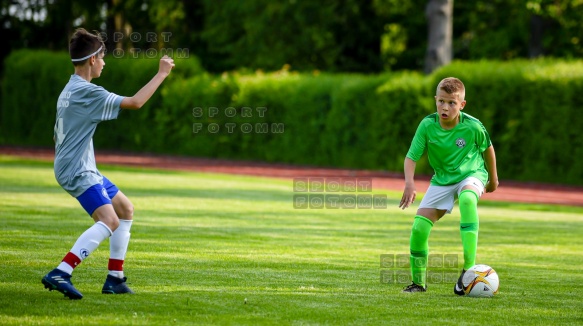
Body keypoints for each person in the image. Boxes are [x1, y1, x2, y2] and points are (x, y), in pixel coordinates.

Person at [41, 28, 174, 299]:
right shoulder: (88, 92)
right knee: (109, 220)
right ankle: (62, 271)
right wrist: (161, 74)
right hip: (77, 170)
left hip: (79, 165)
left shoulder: (72, 88)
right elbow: (135, 103)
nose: (104, 62)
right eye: (102, 57)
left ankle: (115, 278)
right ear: (92, 60)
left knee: (124, 208)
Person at [398, 77, 498, 294]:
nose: (445, 107)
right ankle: (418, 283)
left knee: (467, 199)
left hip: (471, 174)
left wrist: (494, 179)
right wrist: (409, 183)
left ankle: (468, 271)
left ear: (462, 104)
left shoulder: (472, 126)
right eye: (441, 101)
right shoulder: (427, 125)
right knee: (419, 228)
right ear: (435, 100)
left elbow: (488, 149)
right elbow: (411, 157)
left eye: (452, 103)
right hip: (442, 180)